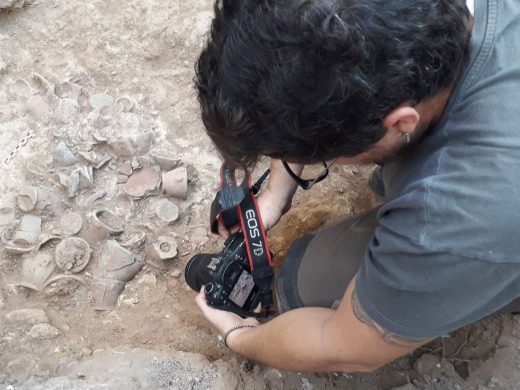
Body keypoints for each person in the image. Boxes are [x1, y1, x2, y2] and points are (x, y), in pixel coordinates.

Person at [193, 0, 520, 373]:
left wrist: (239, 335)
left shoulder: (454, 213)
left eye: (321, 157)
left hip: (498, 212)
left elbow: (344, 347)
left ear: (401, 121)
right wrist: (273, 197)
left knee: (305, 288)